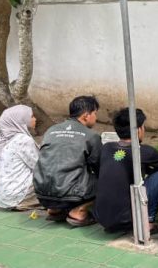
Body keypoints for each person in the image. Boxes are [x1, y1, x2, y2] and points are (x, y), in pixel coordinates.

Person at [93, 107, 158, 233]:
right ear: (138, 130)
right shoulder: (143, 151)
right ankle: (147, 222)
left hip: (102, 218)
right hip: (127, 220)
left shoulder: (107, 148)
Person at [33, 95, 102, 227]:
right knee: (108, 179)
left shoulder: (51, 130)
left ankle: (55, 210)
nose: (96, 117)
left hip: (41, 194)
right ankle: (79, 211)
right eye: (95, 113)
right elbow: (99, 167)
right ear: (86, 116)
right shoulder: (91, 136)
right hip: (71, 196)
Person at [0, 105, 39, 210]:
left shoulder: (2, 138)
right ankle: (24, 202)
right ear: (21, 120)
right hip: (12, 195)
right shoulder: (23, 140)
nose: (35, 119)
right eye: (31, 116)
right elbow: (39, 165)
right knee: (51, 177)